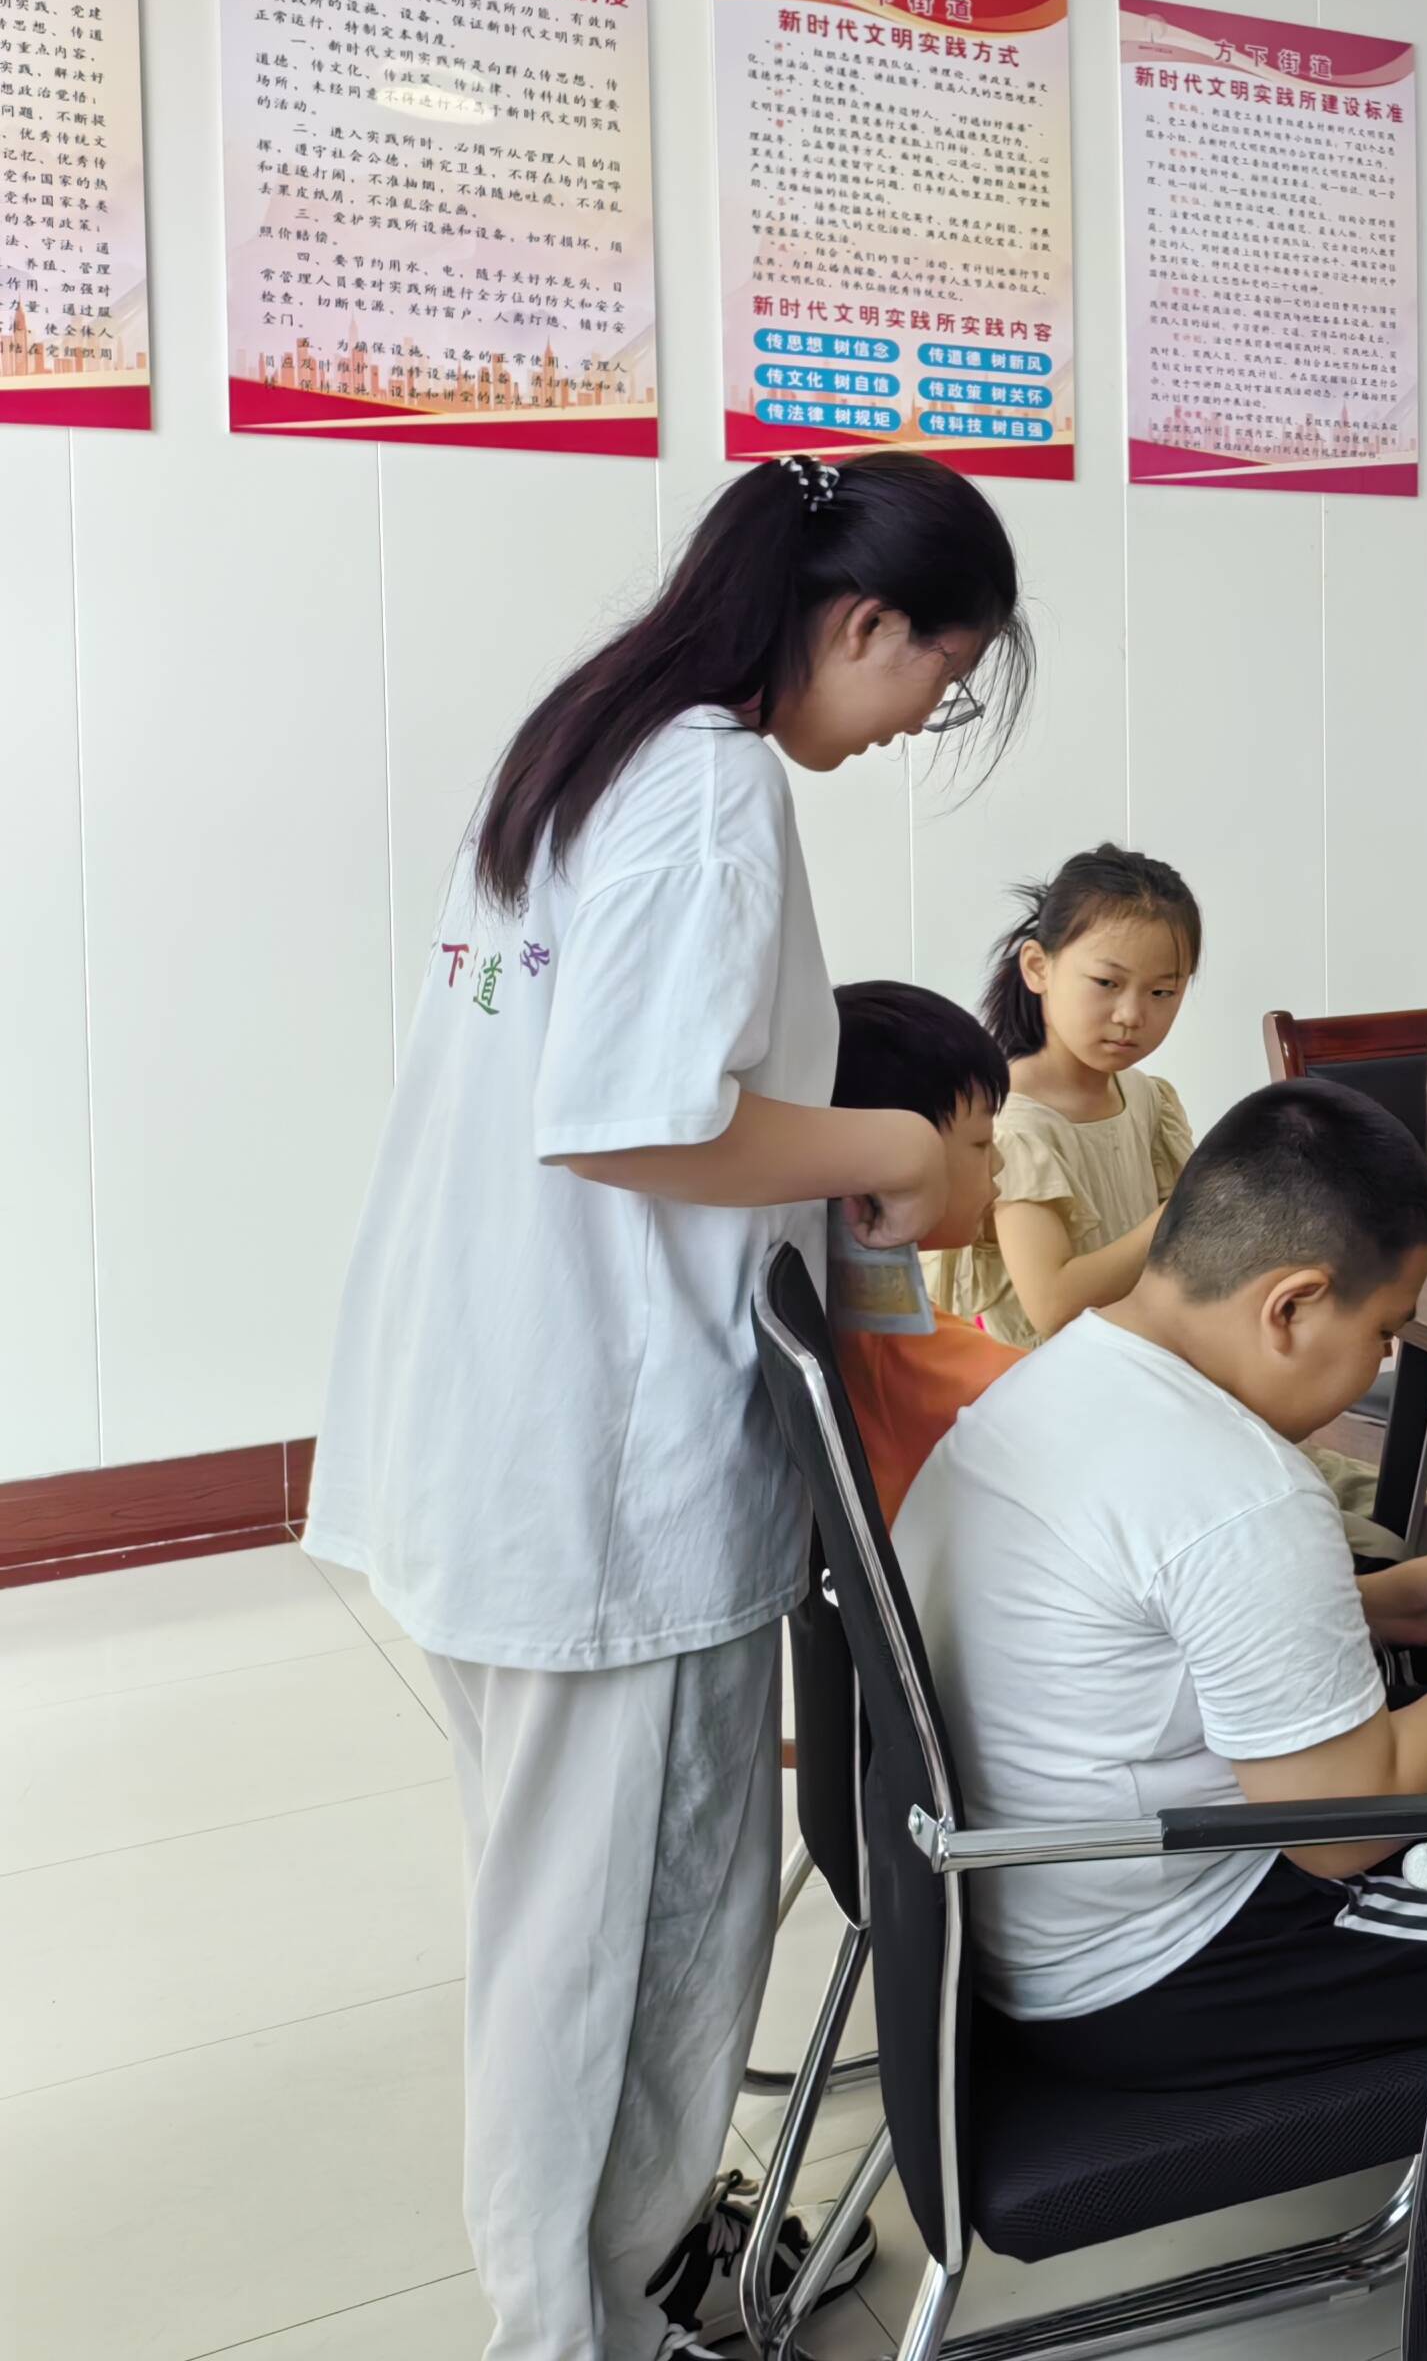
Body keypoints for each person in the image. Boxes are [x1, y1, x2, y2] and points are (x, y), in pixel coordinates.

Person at [307, 449, 1025, 2361]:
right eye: (938, 680)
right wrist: (894, 1142)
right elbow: (631, 1119)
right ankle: (568, 2327)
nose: (917, 724)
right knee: (597, 1939)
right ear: (863, 621)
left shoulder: (594, 738)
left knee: (606, 1910)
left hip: (518, 1417)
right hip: (599, 1463)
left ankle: (628, 2278)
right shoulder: (710, 780)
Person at [890, 1083, 1427, 2088]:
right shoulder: (1240, 1487)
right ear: (1290, 1307)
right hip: (1156, 1966)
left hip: (1019, 1913)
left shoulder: (1059, 1375)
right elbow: (1344, 1827)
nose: (1379, 1360)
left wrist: (1360, 1604)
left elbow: (1119, 1614)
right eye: (1384, 1334)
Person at [940, 844, 1202, 1344]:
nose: (1132, 1015)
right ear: (1038, 967)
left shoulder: (1145, 1098)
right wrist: (1185, 1211)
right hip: (1050, 1379)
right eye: (1106, 982)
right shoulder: (1015, 1126)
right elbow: (1054, 1306)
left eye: (1162, 992)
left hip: (1135, 1358)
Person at [825, 982, 1020, 1521]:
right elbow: (1057, 1399)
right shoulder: (886, 1343)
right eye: (981, 1143)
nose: (998, 1163)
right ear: (890, 1157)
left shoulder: (854, 1304)